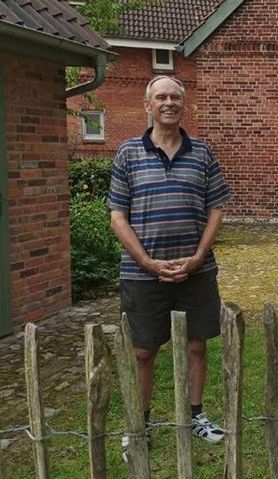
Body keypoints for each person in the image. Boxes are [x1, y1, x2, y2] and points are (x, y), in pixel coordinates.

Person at [108, 76, 230, 459]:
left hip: (197, 270)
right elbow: (117, 215)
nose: (169, 102)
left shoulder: (203, 153)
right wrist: (146, 261)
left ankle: (196, 415)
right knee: (143, 351)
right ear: (147, 105)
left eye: (176, 97)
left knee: (197, 345)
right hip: (141, 273)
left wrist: (197, 256)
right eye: (161, 96)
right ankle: (138, 425)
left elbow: (216, 209)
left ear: (184, 105)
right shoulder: (127, 153)